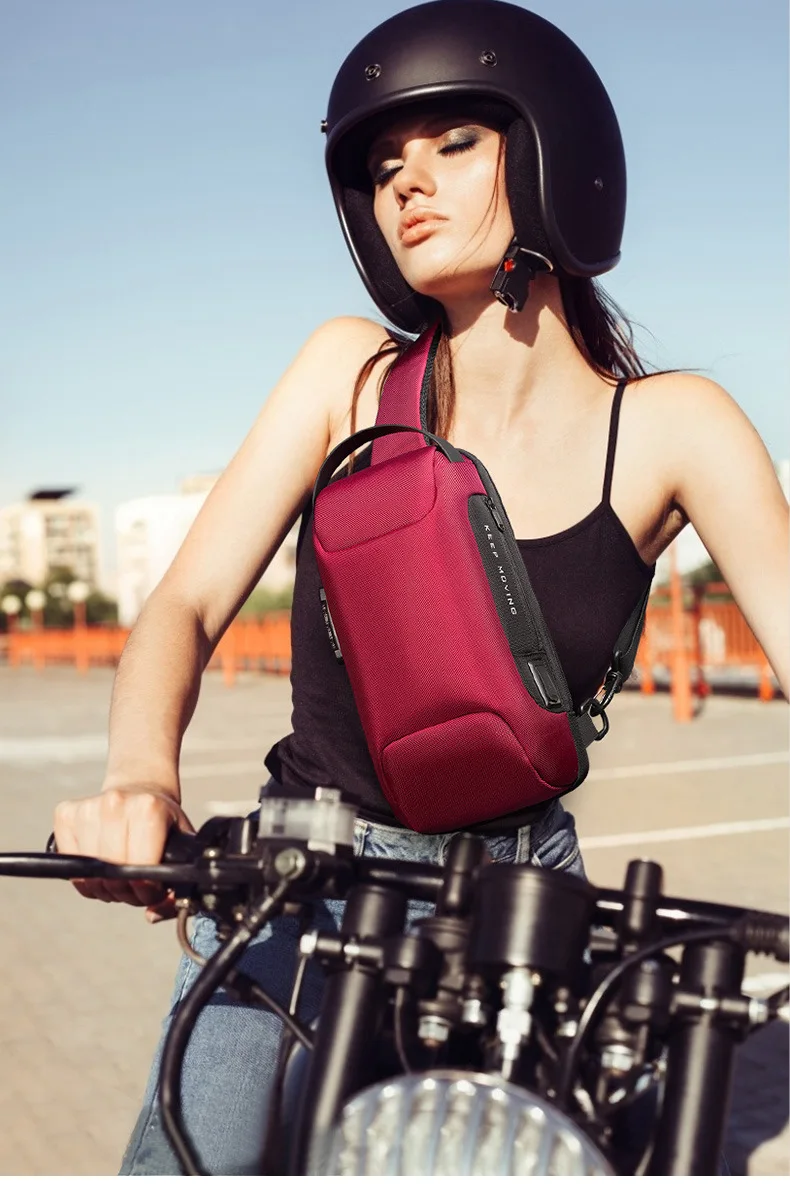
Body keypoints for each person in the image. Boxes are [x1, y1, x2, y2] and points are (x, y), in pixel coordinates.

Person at [52, 1, 788, 1175]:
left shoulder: (672, 428)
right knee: (194, 1157)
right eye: (385, 166)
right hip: (305, 875)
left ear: (551, 156)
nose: (407, 183)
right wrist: (140, 781)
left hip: (521, 899)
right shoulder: (346, 377)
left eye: (453, 144)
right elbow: (183, 607)